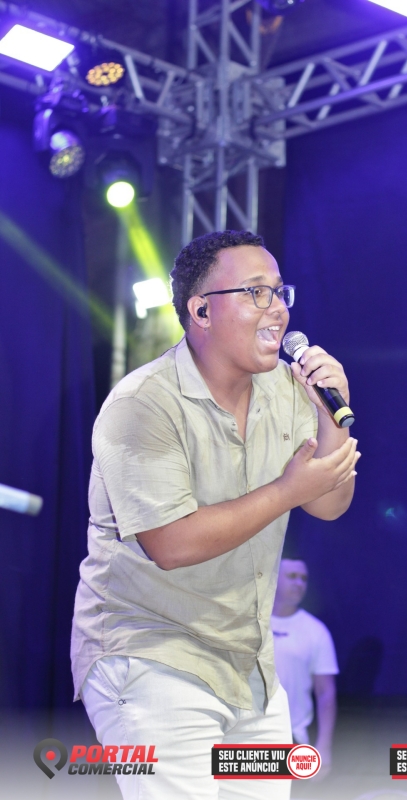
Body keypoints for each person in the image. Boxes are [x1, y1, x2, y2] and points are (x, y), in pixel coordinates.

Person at [71, 229, 360, 800]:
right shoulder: (142, 404)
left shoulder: (288, 390)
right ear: (201, 310)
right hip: (150, 653)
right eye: (256, 292)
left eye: (279, 292)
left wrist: (333, 412)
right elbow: (171, 544)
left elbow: (329, 504)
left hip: (249, 666)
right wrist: (287, 489)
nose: (277, 309)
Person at [272, 558, 338, 778]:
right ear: (273, 578)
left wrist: (324, 747)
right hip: (245, 735)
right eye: (292, 577)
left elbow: (326, 692)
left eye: (304, 579)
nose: (299, 583)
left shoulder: (316, 631)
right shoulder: (249, 623)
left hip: (294, 739)